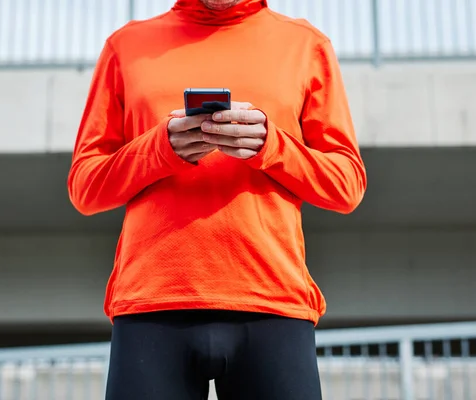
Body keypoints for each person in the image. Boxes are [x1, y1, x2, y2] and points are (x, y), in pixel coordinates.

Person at [67, 0, 367, 398]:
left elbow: (347, 185)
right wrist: (162, 148)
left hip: (272, 302)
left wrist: (271, 145)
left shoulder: (305, 45)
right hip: (153, 305)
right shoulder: (125, 47)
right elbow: (85, 188)